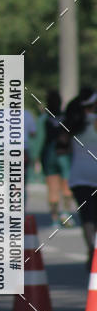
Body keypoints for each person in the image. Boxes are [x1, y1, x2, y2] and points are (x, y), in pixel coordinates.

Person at [63, 88, 97, 269]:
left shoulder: (73, 123)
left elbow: (61, 149)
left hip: (78, 177)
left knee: (87, 217)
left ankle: (91, 248)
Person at [39, 90, 74, 226]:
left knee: (52, 188)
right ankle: (66, 213)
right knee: (66, 186)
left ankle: (54, 218)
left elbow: (39, 139)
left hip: (49, 153)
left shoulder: (44, 119)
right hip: (64, 154)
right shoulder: (67, 118)